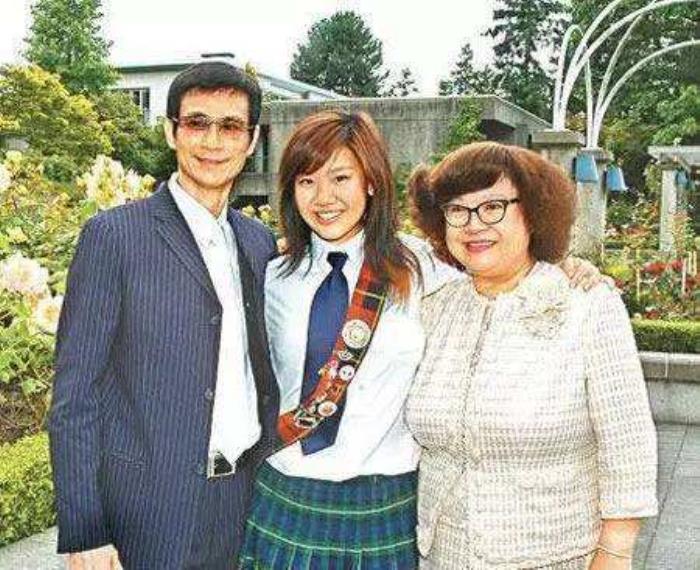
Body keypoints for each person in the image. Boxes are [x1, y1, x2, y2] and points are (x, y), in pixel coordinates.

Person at [238, 111, 604, 570]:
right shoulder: (272, 275)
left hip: (386, 504)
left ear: (372, 182)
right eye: (306, 181)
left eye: (341, 178)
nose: (323, 197)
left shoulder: (421, 265)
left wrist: (565, 267)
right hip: (287, 494)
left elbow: (503, 268)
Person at [48, 61, 279, 570]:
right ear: (172, 131)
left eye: (230, 126)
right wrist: (85, 530)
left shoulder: (258, 241)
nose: (212, 141)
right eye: (197, 123)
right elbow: (74, 395)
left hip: (242, 504)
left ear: (251, 141)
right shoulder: (114, 237)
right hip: (145, 513)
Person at [405, 141, 658, 569]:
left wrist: (615, 552)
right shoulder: (435, 307)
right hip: (443, 554)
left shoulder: (586, 305)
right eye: (457, 210)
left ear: (533, 212)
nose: (473, 224)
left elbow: (627, 443)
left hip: (552, 555)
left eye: (493, 207)